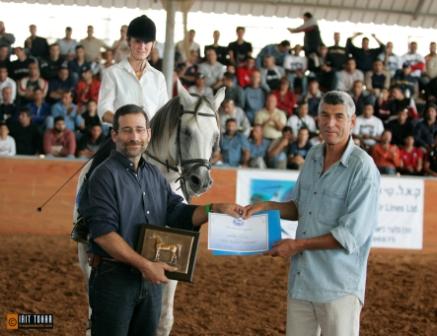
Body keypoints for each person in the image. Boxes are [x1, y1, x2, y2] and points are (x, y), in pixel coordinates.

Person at [82, 105, 242, 335]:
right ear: (114, 135)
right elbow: (104, 235)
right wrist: (146, 266)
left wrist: (214, 208)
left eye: (139, 130)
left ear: (149, 133)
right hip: (114, 280)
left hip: (151, 282)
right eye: (127, 130)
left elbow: (176, 212)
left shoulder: (154, 175)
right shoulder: (103, 175)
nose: (134, 137)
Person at [244, 90, 380, 336]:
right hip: (302, 282)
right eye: (325, 115)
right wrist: (266, 207)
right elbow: (299, 206)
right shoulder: (314, 155)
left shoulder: (363, 169)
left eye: (339, 117)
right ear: (317, 120)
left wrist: (296, 246)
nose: (331, 123)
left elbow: (349, 236)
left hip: (338, 287)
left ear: (352, 122)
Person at [98, 15, 168, 124]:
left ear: (153, 44)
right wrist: (125, 124)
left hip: (151, 138)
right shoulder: (112, 73)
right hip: (121, 137)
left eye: (147, 42)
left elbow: (164, 114)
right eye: (137, 41)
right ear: (128, 41)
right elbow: (103, 109)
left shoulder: (158, 77)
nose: (142, 46)